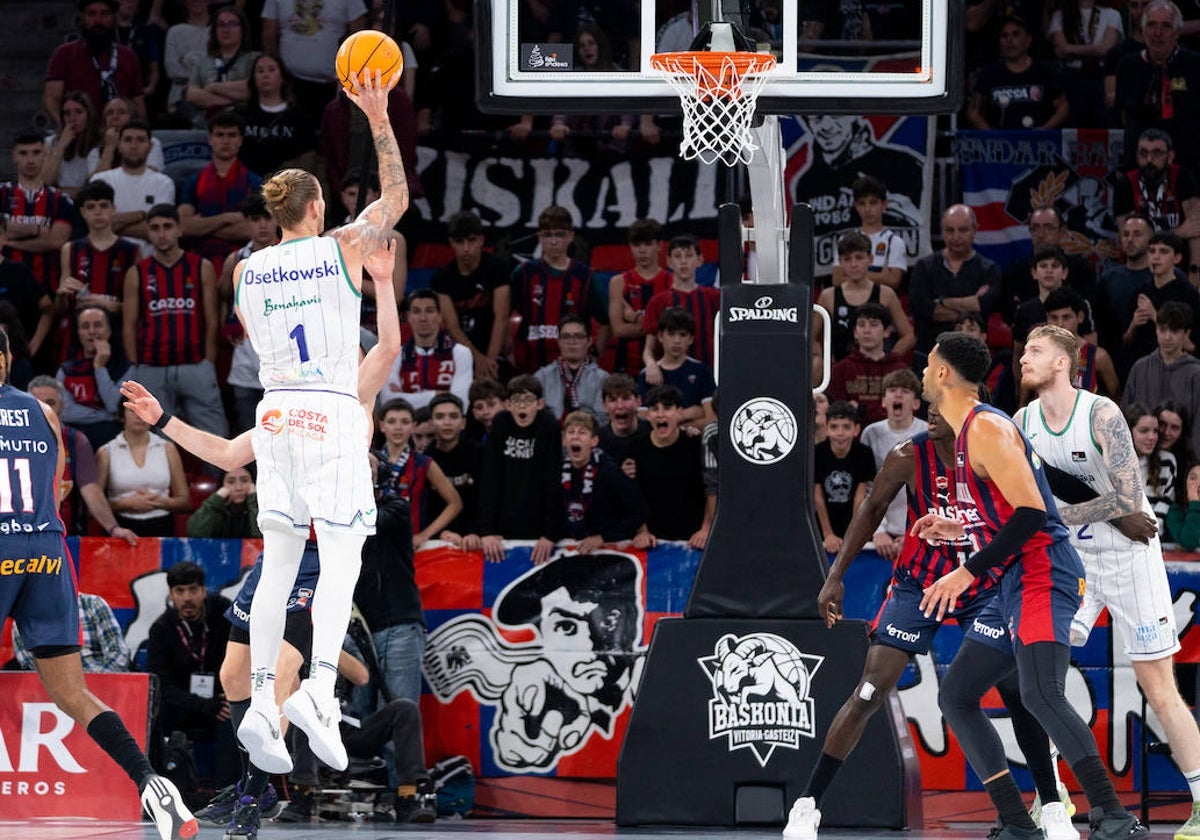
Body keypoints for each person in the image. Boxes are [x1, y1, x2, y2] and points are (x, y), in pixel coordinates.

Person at [120, 236, 400, 838]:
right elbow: (225, 454)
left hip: (324, 558)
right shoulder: (289, 400)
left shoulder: (353, 394)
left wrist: (380, 279)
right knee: (232, 678)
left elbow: (387, 349)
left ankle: (267, 793)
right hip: (282, 557)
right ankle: (255, 782)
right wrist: (161, 421)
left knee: (286, 674)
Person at [229, 68, 410, 778]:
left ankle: (257, 709)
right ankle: (319, 691)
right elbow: (395, 196)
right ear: (317, 205)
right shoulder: (340, 245)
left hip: (272, 414)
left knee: (276, 566)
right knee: (341, 559)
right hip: (330, 408)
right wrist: (378, 116)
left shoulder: (246, 272)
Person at [783, 402, 1072, 840]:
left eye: (940, 405)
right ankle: (808, 805)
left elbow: (1035, 504)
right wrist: (834, 576)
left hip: (982, 582)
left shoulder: (993, 446)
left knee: (1017, 692)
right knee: (868, 689)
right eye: (928, 405)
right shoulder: (906, 455)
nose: (929, 412)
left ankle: (1051, 806)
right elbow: (871, 509)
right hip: (920, 583)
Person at [912, 331, 1147, 840]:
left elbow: (1033, 514)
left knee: (1041, 693)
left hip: (1043, 572)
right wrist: (959, 527)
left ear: (945, 374)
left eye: (930, 365)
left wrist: (967, 568)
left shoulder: (986, 430)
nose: (925, 373)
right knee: (957, 694)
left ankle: (1113, 816)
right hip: (1012, 579)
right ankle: (1017, 822)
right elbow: (1007, 511)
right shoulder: (966, 436)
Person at [0, 328, 197, 840]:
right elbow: (58, 485)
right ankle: (151, 783)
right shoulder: (43, 413)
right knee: (74, 693)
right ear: (7, 359)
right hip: (46, 554)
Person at [1016, 323, 1200, 840]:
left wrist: (1054, 513)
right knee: (1040, 684)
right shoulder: (1021, 420)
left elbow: (1125, 499)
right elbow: (1015, 499)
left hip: (1128, 557)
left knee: (1159, 687)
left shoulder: (1101, 413)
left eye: (1035, 350)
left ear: (1062, 363)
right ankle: (1051, 803)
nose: (1023, 357)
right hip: (1069, 561)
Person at [121, 203, 227, 438]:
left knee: (212, 432)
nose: (162, 233)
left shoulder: (201, 267)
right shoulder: (137, 272)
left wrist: (208, 361)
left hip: (195, 365)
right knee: (155, 436)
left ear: (179, 230)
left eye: (168, 227)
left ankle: (218, 476)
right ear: (148, 233)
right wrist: (137, 364)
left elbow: (211, 319)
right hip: (152, 366)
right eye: (155, 228)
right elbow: (128, 325)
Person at [146, 561, 239, 789]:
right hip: (184, 705)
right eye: (180, 591)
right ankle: (167, 788)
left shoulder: (224, 613)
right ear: (171, 594)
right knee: (155, 714)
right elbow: (162, 685)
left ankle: (227, 792)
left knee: (237, 715)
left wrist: (227, 698)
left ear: (203, 590)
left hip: (221, 699)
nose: (187, 598)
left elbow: (243, 660)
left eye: (193, 590)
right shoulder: (162, 629)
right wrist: (203, 705)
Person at [27, 374, 137, 543]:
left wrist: (113, 528)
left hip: (65, 536)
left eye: (50, 403)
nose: (44, 409)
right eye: (36, 403)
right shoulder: (9, 438)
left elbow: (90, 489)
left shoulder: (75, 440)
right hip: (20, 534)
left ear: (62, 406)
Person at [476, 375, 563, 565]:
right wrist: (487, 530)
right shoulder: (500, 424)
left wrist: (550, 534)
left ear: (540, 404)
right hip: (504, 523)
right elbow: (490, 478)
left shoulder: (549, 426)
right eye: (516, 401)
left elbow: (553, 481)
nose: (522, 406)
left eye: (528, 401)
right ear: (507, 404)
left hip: (539, 525)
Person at [510, 205, 602, 373]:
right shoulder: (523, 273)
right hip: (529, 367)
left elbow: (605, 321)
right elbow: (503, 316)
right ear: (539, 237)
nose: (553, 241)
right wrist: (509, 351)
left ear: (570, 237)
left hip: (574, 368)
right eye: (547, 235)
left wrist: (595, 355)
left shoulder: (585, 276)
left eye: (559, 235)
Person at [1114, 0, 1200, 171]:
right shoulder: (1128, 65)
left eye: (1166, 26)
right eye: (1152, 25)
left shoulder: (1195, 65)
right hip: (1139, 168)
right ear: (1143, 30)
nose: (1157, 33)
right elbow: (1124, 116)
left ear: (1177, 32)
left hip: (1187, 167)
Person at [908, 205, 1003, 360]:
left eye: (963, 230)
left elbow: (985, 306)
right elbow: (922, 308)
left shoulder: (989, 269)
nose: (956, 237)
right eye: (950, 230)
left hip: (972, 356)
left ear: (975, 230)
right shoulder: (924, 267)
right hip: (930, 354)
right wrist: (970, 310)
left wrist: (940, 301)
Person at [626, 384, 714, 550]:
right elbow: (632, 495)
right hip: (652, 541)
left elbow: (712, 489)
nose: (660, 414)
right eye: (654, 409)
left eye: (667, 408)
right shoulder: (635, 447)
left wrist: (706, 528)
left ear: (680, 412)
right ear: (647, 415)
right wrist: (641, 531)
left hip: (693, 539)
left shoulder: (696, 444)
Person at [219, 194, 278, 435]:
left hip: (281, 365)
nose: (262, 225)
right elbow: (223, 297)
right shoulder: (234, 260)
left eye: (267, 218)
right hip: (245, 363)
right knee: (249, 439)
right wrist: (228, 320)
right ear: (247, 223)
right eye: (255, 219)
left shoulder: (291, 256)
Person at [430, 210, 512, 382]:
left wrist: (490, 360)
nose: (466, 248)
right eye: (460, 242)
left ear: (481, 240)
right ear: (451, 242)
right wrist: (478, 359)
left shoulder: (498, 268)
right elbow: (452, 327)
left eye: (471, 240)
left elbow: (501, 317)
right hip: (461, 352)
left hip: (496, 351)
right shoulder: (443, 278)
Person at [178, 111, 263, 272]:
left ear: (240, 140)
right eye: (220, 135)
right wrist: (227, 218)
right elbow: (183, 227)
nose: (225, 141)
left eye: (232, 135)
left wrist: (203, 225)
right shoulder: (193, 183)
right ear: (210, 139)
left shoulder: (255, 183)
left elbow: (253, 230)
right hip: (199, 262)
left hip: (244, 262)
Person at [374, 398, 464, 548]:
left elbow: (455, 503)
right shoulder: (371, 461)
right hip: (376, 543)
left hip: (409, 546)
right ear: (382, 426)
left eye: (405, 422)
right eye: (392, 421)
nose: (398, 427)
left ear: (413, 426)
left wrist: (425, 534)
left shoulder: (424, 463)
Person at [857, 368, 927, 560]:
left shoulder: (928, 433)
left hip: (918, 531)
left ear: (915, 403)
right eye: (892, 390)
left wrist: (915, 533)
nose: (898, 394)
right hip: (881, 533)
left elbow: (931, 489)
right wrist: (877, 530)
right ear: (883, 401)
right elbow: (866, 486)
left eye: (905, 391)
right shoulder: (870, 433)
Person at [261, 0, 368, 122]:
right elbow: (268, 34)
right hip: (290, 84)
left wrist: (345, 75)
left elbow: (358, 35)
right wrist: (278, 74)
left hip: (332, 85)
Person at [817, 232, 915, 363]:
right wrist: (824, 360)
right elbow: (810, 337)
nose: (853, 264)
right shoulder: (828, 296)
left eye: (859, 258)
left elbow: (909, 335)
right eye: (847, 259)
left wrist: (887, 360)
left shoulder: (886, 294)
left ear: (871, 259)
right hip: (840, 370)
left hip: (877, 368)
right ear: (840, 262)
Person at [97, 400, 191, 536]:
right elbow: (93, 507)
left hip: (162, 525)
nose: (139, 415)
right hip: (120, 526)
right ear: (122, 415)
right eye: (133, 410)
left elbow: (185, 502)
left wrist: (158, 502)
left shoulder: (168, 448)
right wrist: (126, 504)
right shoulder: (106, 452)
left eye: (144, 410)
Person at [559, 410, 648, 553]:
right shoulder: (557, 472)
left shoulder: (609, 471)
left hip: (608, 552)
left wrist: (603, 537)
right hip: (571, 548)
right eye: (571, 432)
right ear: (564, 440)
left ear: (594, 441)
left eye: (582, 432)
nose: (575, 437)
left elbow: (639, 513)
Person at [1, 133, 76, 302]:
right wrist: (36, 229)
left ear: (46, 155)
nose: (30, 160)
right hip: (4, 287)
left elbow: (55, 242)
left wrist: (11, 239)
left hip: (46, 287)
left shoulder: (61, 200)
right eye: (23, 153)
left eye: (36, 152)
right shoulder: (1, 193)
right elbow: (47, 239)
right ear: (14, 156)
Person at [44, 0, 146, 123]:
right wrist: (65, 127)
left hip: (119, 133)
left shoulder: (128, 56)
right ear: (82, 18)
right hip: (79, 134)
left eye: (105, 14)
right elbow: (52, 98)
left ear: (114, 17)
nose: (98, 21)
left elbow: (138, 103)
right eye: (91, 14)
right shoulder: (64, 53)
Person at [1113, 129, 1200, 272]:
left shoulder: (1183, 177)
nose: (1149, 160)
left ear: (1170, 156)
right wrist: (1178, 233)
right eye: (1143, 153)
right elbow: (1129, 242)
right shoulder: (1125, 184)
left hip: (1178, 269)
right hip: (1138, 269)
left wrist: (1195, 272)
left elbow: (1196, 231)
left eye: (1157, 153)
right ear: (1136, 156)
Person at [1123, 301, 1200, 455]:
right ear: (1156, 330)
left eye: (1174, 330)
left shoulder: (1196, 373)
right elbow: (1125, 416)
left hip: (1183, 459)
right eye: (1162, 329)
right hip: (1141, 459)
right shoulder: (1140, 368)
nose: (1167, 337)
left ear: (1186, 334)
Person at [966, 15, 1070, 130]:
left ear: (1028, 41)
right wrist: (991, 135)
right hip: (1000, 144)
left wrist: (1044, 131)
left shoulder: (1045, 72)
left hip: (1037, 143)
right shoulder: (989, 74)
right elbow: (973, 111)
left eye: (1015, 34)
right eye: (1004, 36)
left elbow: (1062, 107)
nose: (1009, 40)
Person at [58, 179, 140, 320]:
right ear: (83, 212)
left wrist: (107, 304)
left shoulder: (131, 251)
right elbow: (62, 307)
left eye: (103, 206)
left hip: (116, 329)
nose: (98, 212)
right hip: (78, 328)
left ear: (113, 209)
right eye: (91, 207)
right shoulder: (70, 249)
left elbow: (139, 305)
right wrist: (61, 296)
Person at [642, 233, 720, 374]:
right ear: (669, 262)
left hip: (709, 375)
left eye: (689, 256)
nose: (683, 262)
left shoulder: (715, 297)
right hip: (670, 376)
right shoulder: (658, 302)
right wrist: (650, 363)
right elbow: (648, 348)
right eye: (678, 256)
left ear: (700, 260)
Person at [1120, 231, 1200, 368]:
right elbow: (1125, 341)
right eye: (1151, 251)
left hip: (1179, 369)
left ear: (1177, 258)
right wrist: (1133, 325)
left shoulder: (1188, 295)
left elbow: (1192, 346)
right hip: (1144, 368)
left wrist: (1154, 315)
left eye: (1163, 252)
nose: (1156, 257)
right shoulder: (1140, 293)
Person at [384, 289, 473, 409]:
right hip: (407, 426)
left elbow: (461, 403)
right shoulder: (394, 355)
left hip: (446, 424)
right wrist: (439, 394)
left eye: (429, 311)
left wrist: (405, 397)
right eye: (416, 311)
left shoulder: (461, 353)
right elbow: (388, 402)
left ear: (440, 316)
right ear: (409, 317)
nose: (423, 318)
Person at [826, 302, 910, 426]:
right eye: (861, 325)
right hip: (852, 438)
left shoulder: (900, 370)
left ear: (887, 331)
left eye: (873, 325)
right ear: (855, 332)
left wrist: (861, 409)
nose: (867, 330)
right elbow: (838, 412)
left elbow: (902, 411)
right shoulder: (840, 369)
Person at [89, 121, 176, 241]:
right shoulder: (101, 180)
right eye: (128, 140)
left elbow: (161, 232)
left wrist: (111, 225)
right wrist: (140, 215)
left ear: (150, 146)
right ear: (119, 145)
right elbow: (94, 224)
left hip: (149, 257)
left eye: (140, 140)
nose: (134, 146)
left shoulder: (164, 183)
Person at [237, 54, 318, 178]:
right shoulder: (242, 114)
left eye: (271, 70)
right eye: (260, 71)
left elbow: (307, 156)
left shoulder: (299, 117)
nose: (265, 75)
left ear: (282, 77)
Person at [608, 218, 672, 374]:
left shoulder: (672, 281)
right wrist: (656, 326)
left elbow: (674, 330)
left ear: (659, 245)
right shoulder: (618, 282)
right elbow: (619, 330)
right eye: (637, 245)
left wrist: (635, 318)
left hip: (665, 364)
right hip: (626, 364)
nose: (642, 251)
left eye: (648, 244)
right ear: (630, 247)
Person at [813, 401, 876, 555]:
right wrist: (828, 534)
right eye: (834, 427)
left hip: (853, 522)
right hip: (822, 527)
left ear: (856, 429)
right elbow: (817, 496)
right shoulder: (816, 453)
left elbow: (860, 496)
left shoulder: (864, 453)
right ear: (827, 428)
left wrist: (852, 535)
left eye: (846, 427)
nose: (840, 433)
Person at [635, 307, 714, 430]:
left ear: (691, 339)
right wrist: (689, 414)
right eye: (671, 334)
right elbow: (643, 421)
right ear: (661, 336)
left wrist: (674, 426)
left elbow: (711, 420)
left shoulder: (702, 371)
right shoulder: (646, 375)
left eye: (682, 335)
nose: (677, 341)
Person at [12, 592, 130, 672]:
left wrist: (98, 683)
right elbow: (32, 667)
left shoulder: (92, 604)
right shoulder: (24, 619)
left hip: (104, 684)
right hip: (54, 693)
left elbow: (118, 653)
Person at [183, 6, 259, 127]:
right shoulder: (203, 61)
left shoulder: (255, 59)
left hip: (244, 123)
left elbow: (253, 88)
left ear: (243, 29)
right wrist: (234, 102)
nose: (226, 29)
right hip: (206, 124)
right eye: (221, 25)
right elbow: (192, 94)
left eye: (232, 24)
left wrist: (213, 87)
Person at [830, 176, 908, 290]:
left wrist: (852, 275)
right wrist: (881, 276)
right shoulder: (844, 240)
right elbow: (836, 280)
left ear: (884, 204)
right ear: (856, 206)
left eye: (873, 203)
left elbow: (893, 281)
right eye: (862, 203)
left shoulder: (895, 242)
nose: (867, 209)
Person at [426, 392, 483, 544]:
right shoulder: (423, 460)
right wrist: (440, 533)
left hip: (475, 539)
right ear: (430, 423)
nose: (447, 422)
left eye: (453, 416)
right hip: (436, 540)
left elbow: (487, 499)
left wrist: (475, 532)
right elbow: (423, 506)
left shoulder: (480, 454)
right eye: (440, 417)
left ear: (463, 423)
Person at [1042, 287, 1120, 398]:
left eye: (1066, 317)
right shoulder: (1037, 355)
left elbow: (1116, 399)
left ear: (1080, 317)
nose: (1060, 324)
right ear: (1047, 319)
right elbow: (1023, 402)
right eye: (1054, 318)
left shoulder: (1098, 357)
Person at [0, 217, 54, 370]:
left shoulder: (18, 272)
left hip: (15, 361)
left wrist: (33, 346)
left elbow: (48, 309)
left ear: (4, 237)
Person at [536, 312, 609, 424]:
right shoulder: (542, 376)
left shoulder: (602, 379)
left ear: (589, 341)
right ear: (558, 341)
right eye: (565, 337)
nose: (572, 342)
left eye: (578, 336)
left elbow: (603, 419)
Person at [1128, 402, 1179, 534]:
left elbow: (1163, 507)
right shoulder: (1111, 463)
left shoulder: (1167, 462)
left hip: (1152, 539)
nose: (1152, 437)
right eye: (1144, 431)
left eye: (1155, 431)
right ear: (1128, 431)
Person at [86, 96, 166, 178]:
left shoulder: (149, 142)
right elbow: (96, 184)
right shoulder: (96, 152)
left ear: (133, 117)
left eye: (122, 112)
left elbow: (151, 177)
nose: (115, 117)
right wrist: (109, 148)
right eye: (109, 113)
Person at [42, 91, 102, 196]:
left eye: (78, 112)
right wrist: (61, 146)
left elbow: (94, 186)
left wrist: (66, 192)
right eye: (67, 113)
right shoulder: (50, 142)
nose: (72, 119)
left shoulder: (100, 142)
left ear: (88, 115)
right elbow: (45, 181)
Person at [187, 466, 261, 538]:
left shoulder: (259, 507)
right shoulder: (216, 507)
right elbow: (195, 533)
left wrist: (253, 501)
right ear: (222, 485)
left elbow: (261, 536)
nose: (238, 488)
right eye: (231, 482)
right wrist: (216, 499)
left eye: (244, 480)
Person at [597, 373, 649, 463]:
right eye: (613, 400)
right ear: (604, 405)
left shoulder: (653, 434)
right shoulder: (596, 441)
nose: (620, 406)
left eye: (625, 398)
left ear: (638, 401)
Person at [1168, 462, 1200, 549]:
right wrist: (1195, 504)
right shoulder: (1175, 511)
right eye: (1193, 478)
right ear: (1185, 482)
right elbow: (1188, 543)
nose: (1198, 484)